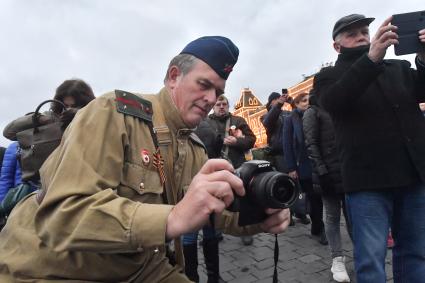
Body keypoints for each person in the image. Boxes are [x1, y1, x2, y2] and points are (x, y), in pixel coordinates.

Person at [0, 36, 290, 282]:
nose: (211, 97)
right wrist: (172, 218)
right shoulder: (115, 112)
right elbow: (64, 215)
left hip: (140, 266)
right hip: (56, 269)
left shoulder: (193, 147)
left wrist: (259, 219)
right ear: (174, 76)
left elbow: (212, 212)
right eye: (204, 84)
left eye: (218, 91)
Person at [314, 14, 425, 282]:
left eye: (365, 31)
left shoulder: (397, 66)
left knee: (416, 253)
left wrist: (422, 59)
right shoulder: (328, 76)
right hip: (368, 182)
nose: (362, 36)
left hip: (413, 176)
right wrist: (371, 58)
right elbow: (336, 102)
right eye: (352, 34)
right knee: (371, 259)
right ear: (337, 47)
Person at [3, 79, 96, 183]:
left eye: (74, 106)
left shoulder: (95, 120)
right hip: (45, 185)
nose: (68, 109)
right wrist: (37, 119)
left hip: (85, 181)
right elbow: (8, 132)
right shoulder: (50, 118)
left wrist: (81, 115)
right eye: (65, 106)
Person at [302, 92, 351, 282]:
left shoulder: (338, 105)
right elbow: (311, 143)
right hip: (328, 173)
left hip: (348, 170)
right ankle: (337, 259)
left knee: (353, 216)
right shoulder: (312, 112)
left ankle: (362, 253)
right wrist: (322, 172)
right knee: (332, 216)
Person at [206, 94, 257, 246]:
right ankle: (217, 230)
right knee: (218, 199)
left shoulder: (238, 121)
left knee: (243, 199)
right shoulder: (206, 122)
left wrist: (237, 141)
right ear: (213, 106)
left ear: (228, 105)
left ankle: (246, 230)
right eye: (218, 104)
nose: (221, 106)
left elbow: (251, 140)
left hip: (238, 166)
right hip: (216, 168)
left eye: (224, 104)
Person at [283, 92, 327, 244]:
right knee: (314, 198)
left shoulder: (317, 114)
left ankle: (318, 226)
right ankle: (318, 228)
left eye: (308, 100)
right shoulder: (290, 120)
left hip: (320, 162)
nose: (307, 103)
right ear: (296, 104)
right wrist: (291, 167)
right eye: (303, 101)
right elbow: (287, 145)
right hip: (304, 165)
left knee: (322, 197)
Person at [261, 90, 291, 173]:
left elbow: (299, 114)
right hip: (279, 154)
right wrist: (279, 104)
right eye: (277, 99)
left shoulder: (287, 113)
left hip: (293, 150)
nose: (280, 99)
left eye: (280, 98)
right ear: (271, 103)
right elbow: (268, 122)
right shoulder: (265, 116)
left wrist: (292, 102)